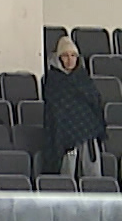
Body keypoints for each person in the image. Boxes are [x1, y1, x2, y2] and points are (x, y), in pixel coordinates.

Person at [43, 36, 106, 179]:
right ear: (59, 58)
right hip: (64, 137)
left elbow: (95, 103)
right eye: (65, 55)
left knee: (92, 173)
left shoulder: (84, 79)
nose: (69, 59)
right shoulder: (53, 80)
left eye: (73, 55)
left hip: (87, 134)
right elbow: (54, 110)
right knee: (67, 172)